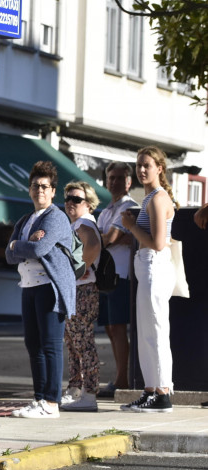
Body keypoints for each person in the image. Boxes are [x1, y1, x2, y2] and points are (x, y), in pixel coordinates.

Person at [5, 161, 76, 419]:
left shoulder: (57, 217)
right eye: (35, 186)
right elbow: (8, 254)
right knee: (33, 344)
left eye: (45, 186)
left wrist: (18, 245)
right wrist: (20, 245)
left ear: (53, 191)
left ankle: (52, 403)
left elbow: (39, 250)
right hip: (29, 286)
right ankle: (39, 399)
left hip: (50, 286)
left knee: (50, 345)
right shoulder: (26, 220)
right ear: (29, 189)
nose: (40, 191)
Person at [120, 146, 177, 413]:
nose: (142, 170)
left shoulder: (156, 199)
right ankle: (151, 390)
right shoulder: (150, 198)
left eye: (147, 165)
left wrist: (131, 227)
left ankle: (163, 392)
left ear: (159, 168)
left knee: (155, 331)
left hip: (154, 266)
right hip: (147, 268)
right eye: (139, 165)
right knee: (145, 332)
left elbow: (156, 244)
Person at [96, 161, 138, 398]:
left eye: (120, 178)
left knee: (119, 328)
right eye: (111, 177)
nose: (115, 182)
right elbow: (99, 238)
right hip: (106, 275)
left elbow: (105, 239)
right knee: (111, 329)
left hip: (121, 275)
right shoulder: (106, 211)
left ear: (129, 182)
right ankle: (120, 377)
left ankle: (123, 380)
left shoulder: (128, 207)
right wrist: (109, 238)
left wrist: (110, 238)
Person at [59, 182, 102, 412]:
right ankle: (76, 389)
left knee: (82, 343)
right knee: (74, 342)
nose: (70, 203)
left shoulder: (84, 223)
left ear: (88, 204)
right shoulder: (77, 223)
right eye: (68, 198)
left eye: (76, 199)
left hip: (83, 290)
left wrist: (82, 266)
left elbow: (93, 244)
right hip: (78, 289)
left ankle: (89, 393)